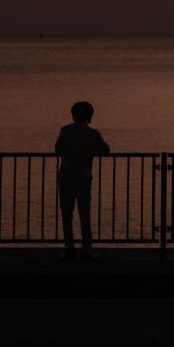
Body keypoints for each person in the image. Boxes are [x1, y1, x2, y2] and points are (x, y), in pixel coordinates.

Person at [54, 100, 111, 260]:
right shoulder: (92, 133)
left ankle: (70, 248)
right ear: (89, 116)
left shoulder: (65, 130)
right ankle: (86, 250)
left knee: (66, 213)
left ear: (74, 115)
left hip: (65, 175)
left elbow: (58, 150)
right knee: (84, 214)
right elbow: (106, 151)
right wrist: (92, 150)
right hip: (83, 176)